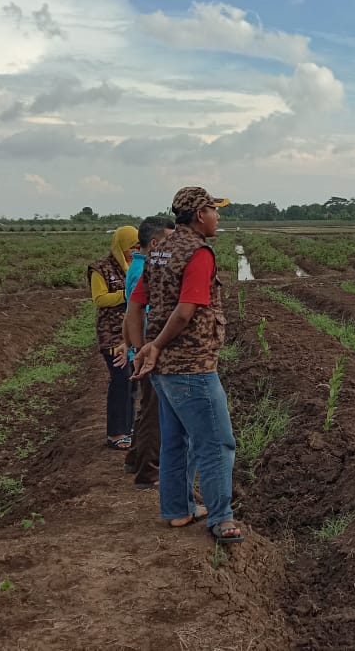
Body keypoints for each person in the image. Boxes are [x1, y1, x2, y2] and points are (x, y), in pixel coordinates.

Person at [127, 187, 244, 544]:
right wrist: (156, 346)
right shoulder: (198, 253)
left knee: (176, 441)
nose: (218, 216)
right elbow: (185, 310)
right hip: (192, 366)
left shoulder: (158, 250)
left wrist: (142, 350)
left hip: (164, 371)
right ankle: (221, 518)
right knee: (216, 444)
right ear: (199, 215)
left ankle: (179, 510)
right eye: (214, 209)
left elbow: (134, 305)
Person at [119, 215, 174, 488]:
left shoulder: (137, 266)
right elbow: (137, 313)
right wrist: (141, 348)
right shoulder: (145, 271)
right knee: (155, 412)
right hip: (148, 350)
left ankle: (135, 458)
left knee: (147, 408)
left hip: (141, 350)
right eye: (168, 240)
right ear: (154, 243)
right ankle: (149, 472)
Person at [88, 225, 138, 450]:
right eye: (130, 247)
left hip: (131, 330)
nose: (133, 251)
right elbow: (99, 299)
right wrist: (126, 294)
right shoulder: (100, 268)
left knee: (131, 381)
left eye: (137, 246)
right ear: (120, 246)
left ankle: (129, 428)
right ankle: (116, 434)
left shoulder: (135, 266)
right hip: (111, 333)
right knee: (120, 380)